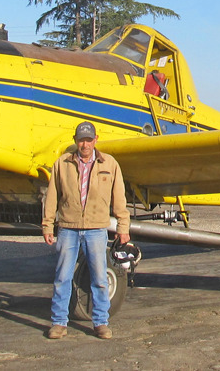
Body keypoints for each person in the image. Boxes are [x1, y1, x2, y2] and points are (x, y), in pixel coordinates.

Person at [42, 121, 131, 340]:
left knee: (100, 277)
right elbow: (52, 197)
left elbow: (119, 198)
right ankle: (59, 323)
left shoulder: (110, 164)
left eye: (89, 139)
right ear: (75, 141)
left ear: (95, 140)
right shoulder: (61, 164)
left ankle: (101, 322)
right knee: (62, 277)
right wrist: (47, 224)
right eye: (81, 140)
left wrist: (123, 227)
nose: (85, 144)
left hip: (97, 230)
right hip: (68, 229)